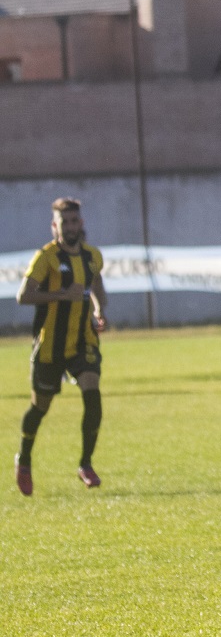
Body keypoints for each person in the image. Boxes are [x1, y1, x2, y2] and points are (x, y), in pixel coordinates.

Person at [14, 197, 109, 496]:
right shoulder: (46, 257)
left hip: (83, 341)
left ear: (80, 223)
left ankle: (85, 463)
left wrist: (98, 311)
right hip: (49, 346)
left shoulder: (92, 256)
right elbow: (23, 296)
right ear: (54, 226)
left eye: (73, 221)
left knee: (92, 393)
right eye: (63, 222)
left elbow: (96, 288)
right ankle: (25, 459)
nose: (69, 227)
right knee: (40, 407)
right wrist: (59, 294)